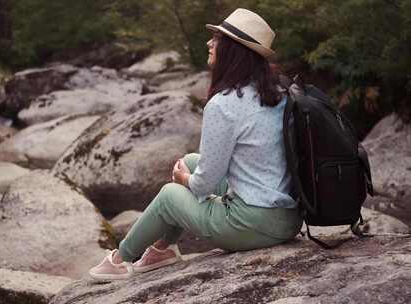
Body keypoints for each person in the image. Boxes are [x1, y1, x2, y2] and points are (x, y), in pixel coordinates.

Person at [88, 8, 303, 282]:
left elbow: (202, 185)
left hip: (253, 224)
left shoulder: (224, 104)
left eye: (217, 38)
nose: (209, 43)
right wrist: (190, 173)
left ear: (233, 50)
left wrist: (183, 180)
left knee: (170, 194)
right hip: (288, 218)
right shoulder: (277, 93)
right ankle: (161, 250)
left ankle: (119, 260)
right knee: (192, 160)